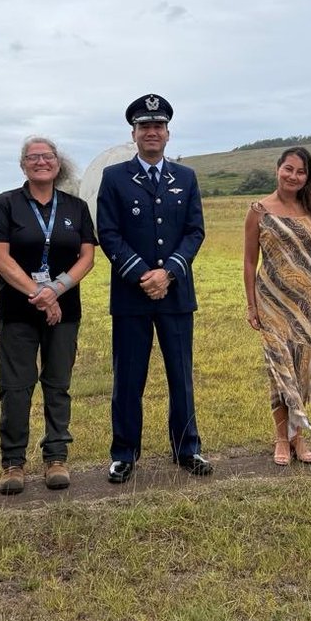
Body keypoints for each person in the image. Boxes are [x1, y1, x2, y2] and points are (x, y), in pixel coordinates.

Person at [97, 93, 212, 483]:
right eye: (144, 126)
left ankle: (188, 448)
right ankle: (124, 453)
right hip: (132, 296)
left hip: (176, 294)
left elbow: (195, 231)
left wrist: (169, 274)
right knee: (129, 377)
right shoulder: (114, 178)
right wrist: (143, 274)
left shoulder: (186, 177)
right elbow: (108, 234)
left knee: (181, 376)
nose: (152, 132)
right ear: (134, 133)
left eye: (158, 126)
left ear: (167, 133)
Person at [0, 136, 96, 494]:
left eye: (47, 157)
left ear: (58, 164)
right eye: (33, 158)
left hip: (65, 311)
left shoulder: (76, 208)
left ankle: (57, 457)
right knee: (16, 387)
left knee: (58, 383)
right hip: (18, 311)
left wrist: (56, 290)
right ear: (23, 165)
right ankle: (12, 462)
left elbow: (87, 257)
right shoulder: (5, 204)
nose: (41, 162)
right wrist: (39, 295)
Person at [243, 147, 311, 465]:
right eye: (288, 169)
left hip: (307, 303)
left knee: (301, 369)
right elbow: (249, 261)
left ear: (307, 177)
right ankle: (282, 440)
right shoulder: (258, 210)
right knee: (279, 370)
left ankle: (298, 438)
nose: (293, 176)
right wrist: (251, 305)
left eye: (301, 172)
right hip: (272, 302)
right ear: (278, 169)